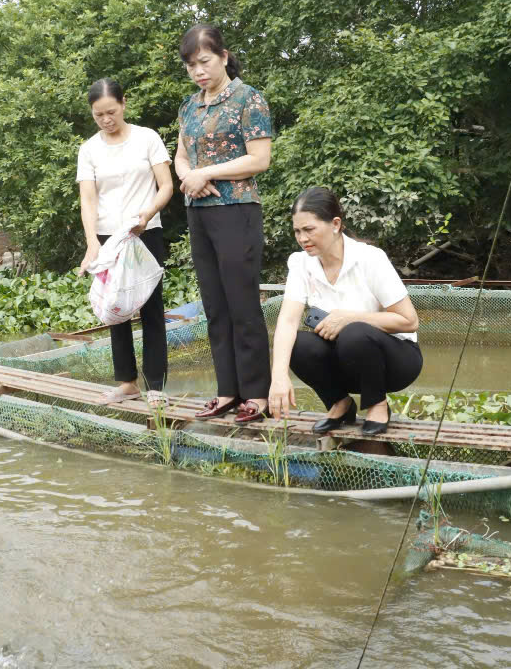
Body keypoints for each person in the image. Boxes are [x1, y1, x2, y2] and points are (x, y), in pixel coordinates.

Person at [173, 24, 275, 424]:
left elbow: (259, 159)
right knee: (214, 306)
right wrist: (188, 176)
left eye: (204, 62)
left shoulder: (249, 99)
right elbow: (181, 155)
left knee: (243, 305)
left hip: (237, 211)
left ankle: (257, 395)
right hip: (198, 211)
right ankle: (227, 391)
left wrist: (207, 173)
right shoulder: (189, 106)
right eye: (190, 65)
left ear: (224, 56)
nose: (197, 71)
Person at [267, 187, 422, 437]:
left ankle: (377, 404)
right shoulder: (300, 263)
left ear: (335, 224)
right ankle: (340, 403)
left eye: (309, 229)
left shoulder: (370, 259)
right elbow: (287, 321)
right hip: (345, 361)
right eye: (297, 231)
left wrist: (349, 316)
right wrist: (278, 376)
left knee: (355, 332)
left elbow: (409, 321)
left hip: (395, 361)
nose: (302, 238)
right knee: (298, 343)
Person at [76, 78, 174, 405]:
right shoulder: (88, 149)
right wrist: (92, 243)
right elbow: (88, 200)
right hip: (107, 237)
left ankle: (156, 386)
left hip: (145, 231)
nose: (106, 120)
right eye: (99, 115)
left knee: (151, 307)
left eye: (111, 112)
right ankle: (127, 383)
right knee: (114, 309)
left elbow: (166, 186)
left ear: (124, 104)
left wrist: (147, 214)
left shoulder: (147, 138)